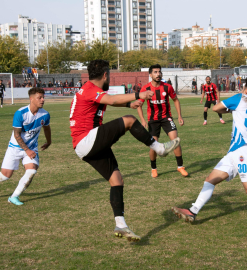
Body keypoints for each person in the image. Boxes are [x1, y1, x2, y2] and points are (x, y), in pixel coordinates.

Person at [69, 60, 180, 242]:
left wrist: (130, 104)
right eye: (110, 75)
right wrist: (140, 94)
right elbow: (112, 100)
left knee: (117, 180)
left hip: (85, 146)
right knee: (129, 121)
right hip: (86, 139)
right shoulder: (90, 89)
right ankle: (159, 148)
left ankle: (120, 224)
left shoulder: (91, 90)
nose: (110, 78)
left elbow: (110, 102)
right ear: (105, 75)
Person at [171, 78, 247, 224]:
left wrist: (232, 109)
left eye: (243, 88)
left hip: (243, 151)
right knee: (210, 180)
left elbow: (215, 108)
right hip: (236, 151)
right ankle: (193, 211)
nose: (242, 90)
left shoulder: (240, 98)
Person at [0, 88, 52, 205]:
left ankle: (14, 197)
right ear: (31, 99)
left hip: (32, 148)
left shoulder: (45, 114)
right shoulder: (20, 113)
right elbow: (17, 135)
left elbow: (47, 128)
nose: (43, 100)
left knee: (31, 171)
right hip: (15, 148)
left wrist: (49, 142)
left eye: (43, 97)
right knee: (5, 176)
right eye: (40, 97)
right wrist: (27, 150)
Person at [137, 64, 188, 179]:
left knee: (176, 141)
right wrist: (143, 120)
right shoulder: (145, 88)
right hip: (153, 120)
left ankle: (180, 166)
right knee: (153, 145)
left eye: (159, 72)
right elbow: (139, 105)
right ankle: (153, 169)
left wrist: (179, 116)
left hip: (166, 118)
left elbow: (175, 100)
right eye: (155, 72)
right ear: (150, 75)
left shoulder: (167, 87)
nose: (158, 74)